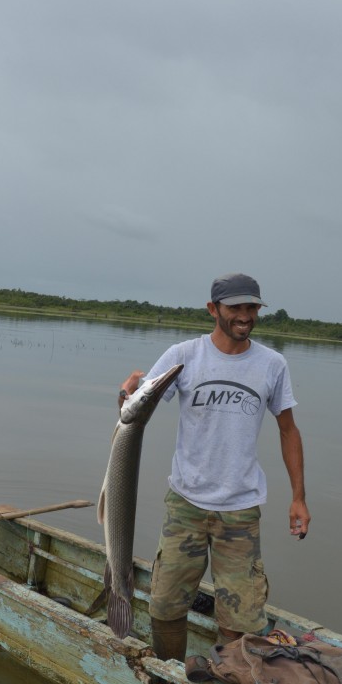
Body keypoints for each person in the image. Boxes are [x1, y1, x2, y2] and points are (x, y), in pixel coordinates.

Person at [118, 272, 310, 661]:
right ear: (213, 309)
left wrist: (298, 498)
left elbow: (288, 430)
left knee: (240, 623)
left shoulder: (272, 364)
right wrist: (124, 393)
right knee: (165, 609)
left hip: (240, 509)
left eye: (252, 307)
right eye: (235, 307)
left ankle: (230, 681)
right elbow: (136, 410)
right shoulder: (183, 356)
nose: (245, 315)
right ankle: (170, 676)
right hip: (185, 504)